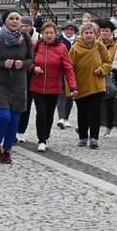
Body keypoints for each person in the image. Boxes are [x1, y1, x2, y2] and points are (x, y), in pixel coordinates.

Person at [0, 12, 33, 164]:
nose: (15, 21)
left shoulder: (26, 38)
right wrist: (3, 64)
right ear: (5, 21)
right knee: (4, 116)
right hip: (0, 83)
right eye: (11, 18)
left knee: (14, 121)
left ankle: (7, 151)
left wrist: (23, 64)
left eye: (17, 19)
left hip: (19, 84)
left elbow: (31, 58)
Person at [29, 22, 77, 152]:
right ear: (42, 34)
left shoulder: (62, 48)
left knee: (49, 114)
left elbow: (68, 68)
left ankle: (46, 135)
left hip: (54, 87)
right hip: (38, 86)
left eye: (51, 33)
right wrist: (33, 68)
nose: (49, 35)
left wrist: (73, 86)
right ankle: (41, 140)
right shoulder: (36, 45)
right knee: (41, 113)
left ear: (56, 34)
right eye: (46, 33)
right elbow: (27, 61)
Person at [68, 22, 112, 148]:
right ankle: (82, 136)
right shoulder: (75, 48)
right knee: (82, 112)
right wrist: (71, 86)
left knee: (95, 111)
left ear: (95, 34)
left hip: (96, 85)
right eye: (86, 33)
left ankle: (94, 138)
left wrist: (102, 69)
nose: (88, 35)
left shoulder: (99, 45)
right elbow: (69, 67)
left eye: (91, 33)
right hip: (80, 85)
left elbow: (108, 62)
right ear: (81, 34)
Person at [97, 20, 117, 138]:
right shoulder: (95, 42)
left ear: (112, 32)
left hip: (110, 75)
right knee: (94, 102)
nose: (104, 33)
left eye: (106, 31)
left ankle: (109, 127)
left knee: (109, 103)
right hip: (95, 74)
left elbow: (115, 61)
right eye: (102, 30)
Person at [55, 20, 77, 129]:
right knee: (61, 94)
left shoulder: (77, 41)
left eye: (71, 29)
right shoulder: (59, 40)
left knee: (70, 96)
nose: (69, 31)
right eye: (67, 29)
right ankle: (61, 117)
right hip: (60, 70)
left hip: (72, 71)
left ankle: (66, 117)